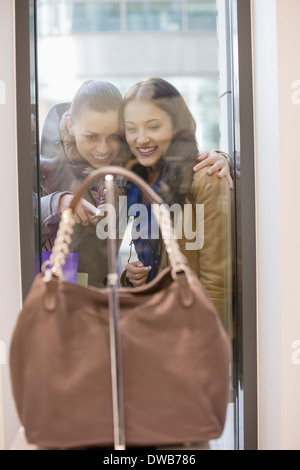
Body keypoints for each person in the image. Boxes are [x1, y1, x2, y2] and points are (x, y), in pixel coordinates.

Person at [40, 79, 231, 289]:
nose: (103, 149)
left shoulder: (131, 168)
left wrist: (227, 159)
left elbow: (177, 159)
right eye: (91, 136)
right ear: (71, 126)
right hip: (57, 290)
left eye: (113, 136)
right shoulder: (45, 166)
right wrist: (55, 202)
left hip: (114, 301)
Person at [119, 77, 232, 330]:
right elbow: (155, 263)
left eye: (154, 126)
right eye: (131, 128)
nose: (141, 139)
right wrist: (132, 277)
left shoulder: (206, 179)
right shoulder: (137, 183)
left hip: (190, 334)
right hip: (156, 325)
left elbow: (217, 284)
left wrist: (204, 349)